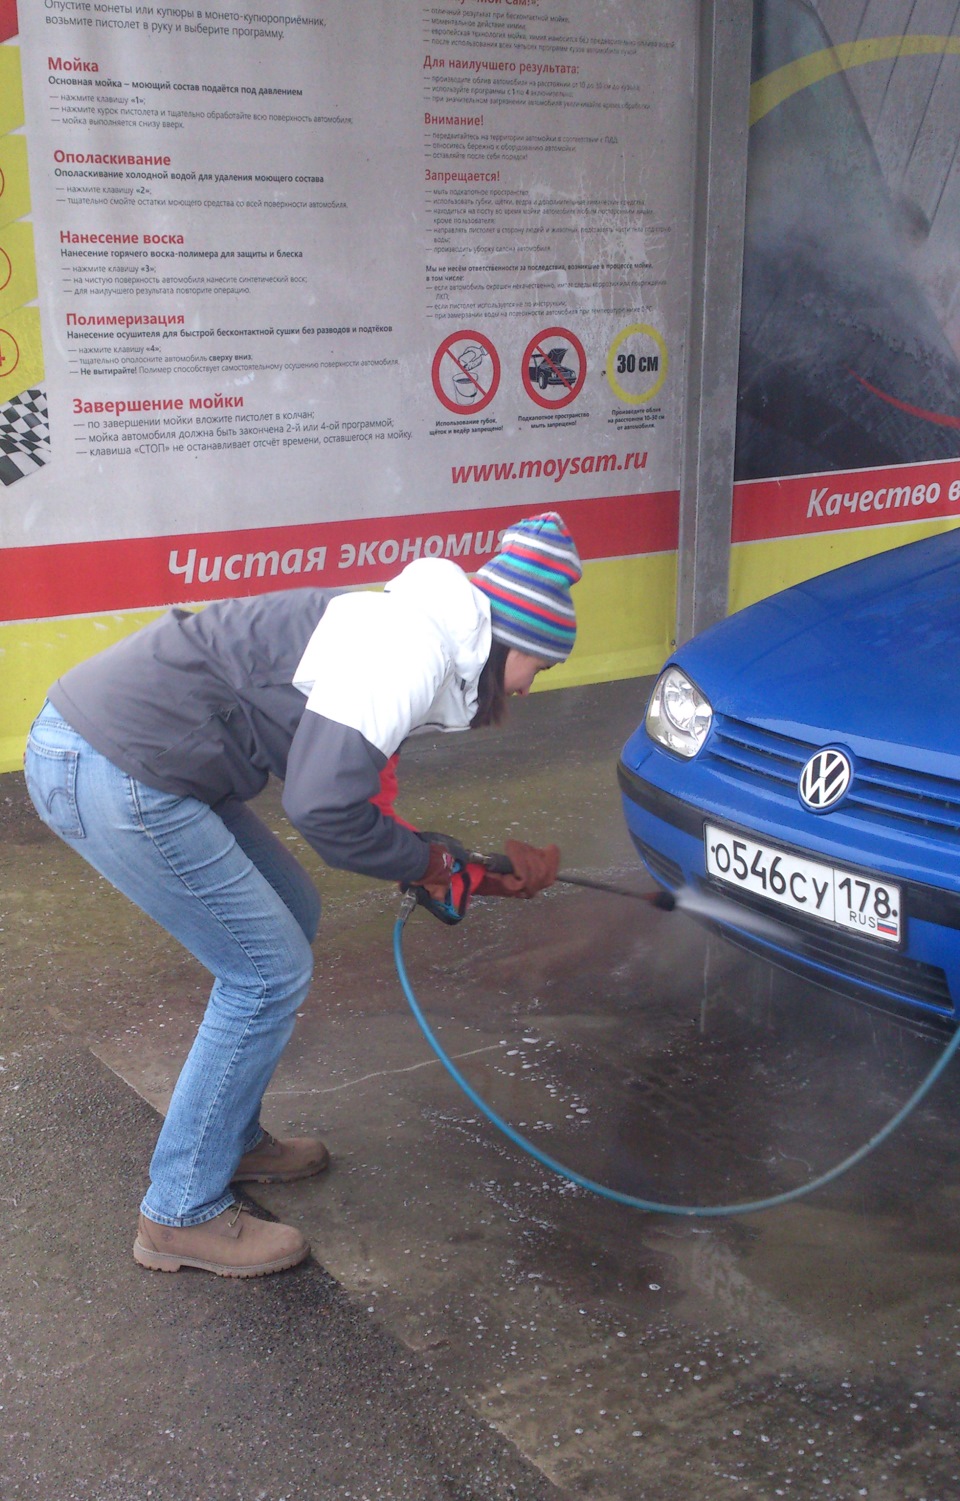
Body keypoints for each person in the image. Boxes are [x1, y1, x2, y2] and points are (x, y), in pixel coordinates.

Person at [23, 510, 582, 1279]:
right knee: (266, 969)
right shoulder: (408, 648)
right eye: (541, 665)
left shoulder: (410, 630)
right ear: (510, 639)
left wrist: (461, 867)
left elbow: (360, 798)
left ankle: (228, 1136)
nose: (534, 683)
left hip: (138, 759)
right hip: (111, 765)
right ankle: (178, 1211)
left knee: (292, 914)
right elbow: (323, 808)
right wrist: (426, 865)